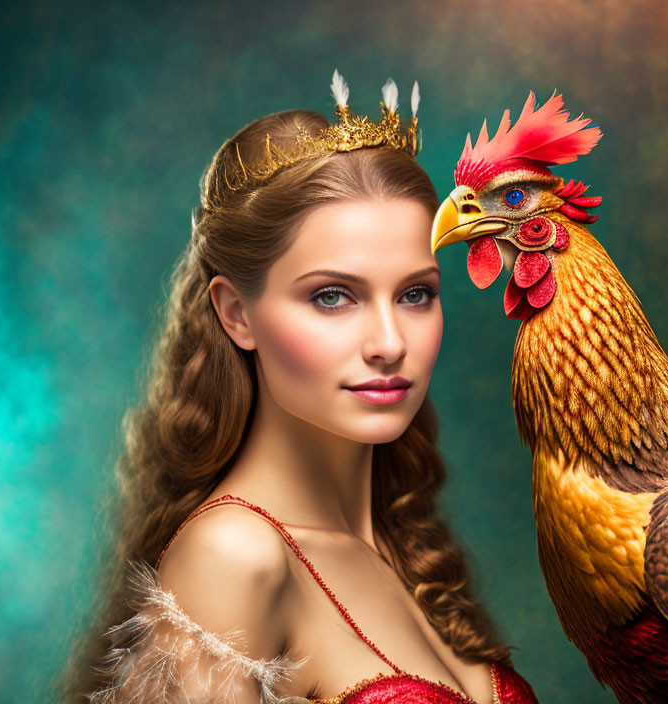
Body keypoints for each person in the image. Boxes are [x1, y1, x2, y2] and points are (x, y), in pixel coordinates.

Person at [63, 73, 539, 704]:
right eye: (333, 296)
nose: (389, 342)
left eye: (416, 293)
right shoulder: (235, 556)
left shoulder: (400, 548)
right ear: (236, 313)